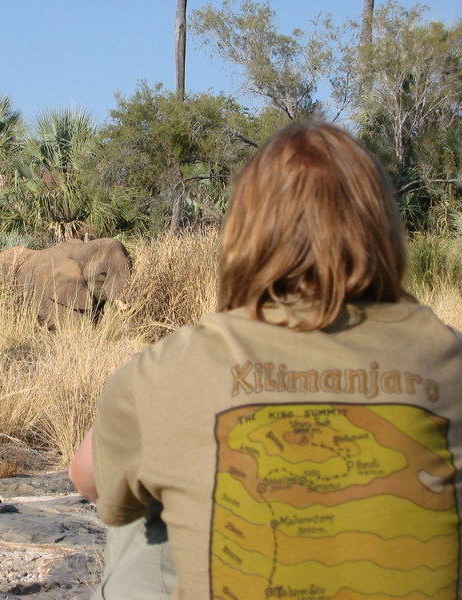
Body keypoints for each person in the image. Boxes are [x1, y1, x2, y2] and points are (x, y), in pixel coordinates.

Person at [69, 121, 462, 600]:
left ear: (244, 235)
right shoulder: (448, 354)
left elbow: (88, 479)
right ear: (383, 229)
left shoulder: (167, 368)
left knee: (139, 517)